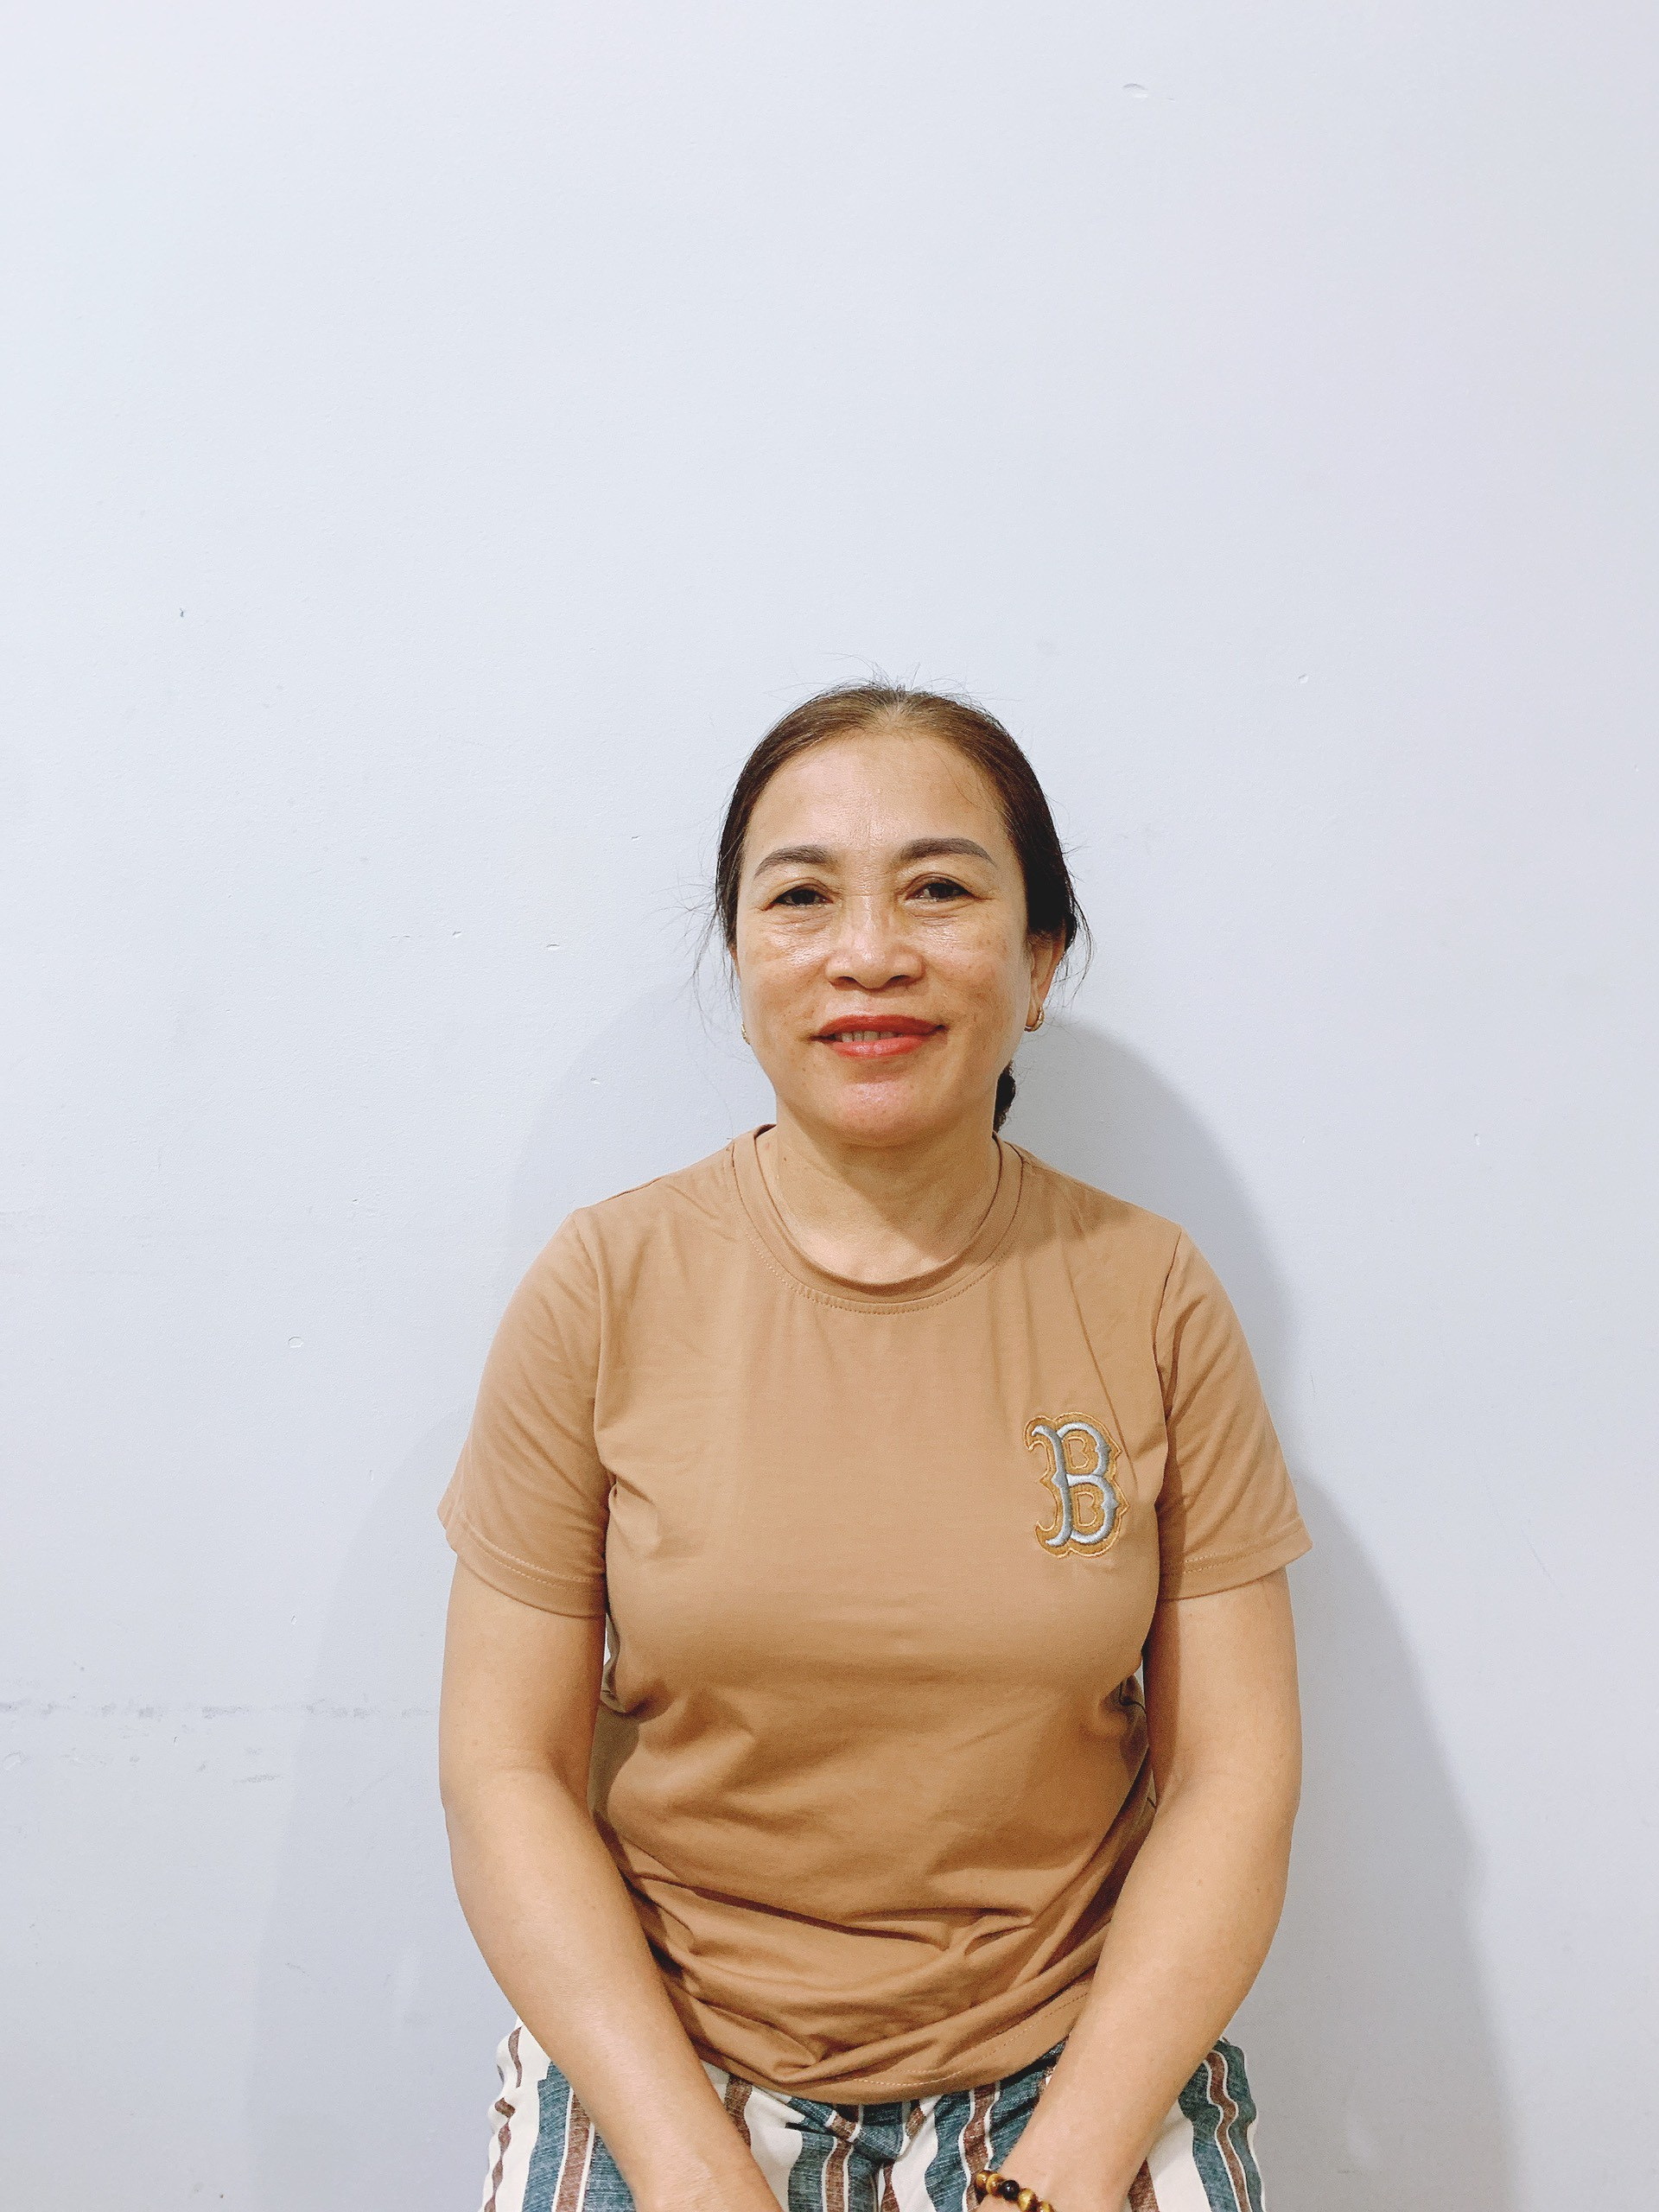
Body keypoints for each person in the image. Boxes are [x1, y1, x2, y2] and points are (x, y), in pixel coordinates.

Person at [437, 683, 1309, 2212]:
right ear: (741, 965)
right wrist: (688, 2166)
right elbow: (505, 1767)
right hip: (670, 2059)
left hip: (1073, 2070)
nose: (869, 953)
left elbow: (1232, 1773)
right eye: (802, 898)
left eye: (940, 890)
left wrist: (1061, 2172)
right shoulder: (605, 1285)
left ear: (1040, 963)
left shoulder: (1151, 1293)